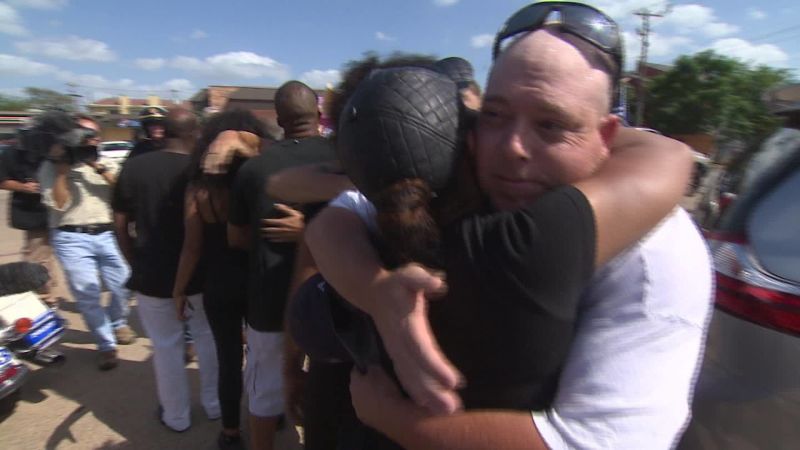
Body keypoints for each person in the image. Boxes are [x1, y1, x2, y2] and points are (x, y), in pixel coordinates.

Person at [303, 3, 713, 449]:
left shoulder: (655, 251)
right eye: (495, 115)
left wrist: (395, 419)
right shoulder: (460, 173)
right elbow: (337, 219)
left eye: (551, 125)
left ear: (607, 137)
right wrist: (377, 291)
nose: (512, 148)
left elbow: (597, 443)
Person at [227, 80, 336, 450]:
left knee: (265, 389)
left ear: (279, 119)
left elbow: (236, 238)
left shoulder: (254, 170)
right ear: (319, 115)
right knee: (332, 385)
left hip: (270, 302)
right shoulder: (346, 161)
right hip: (336, 298)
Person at [113, 107, 219, 432]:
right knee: (208, 338)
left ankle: (177, 417)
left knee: (166, 345)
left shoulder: (133, 168)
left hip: (153, 274)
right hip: (204, 273)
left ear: (163, 131)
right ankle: (215, 406)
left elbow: (119, 224)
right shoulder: (206, 169)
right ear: (195, 132)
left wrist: (134, 260)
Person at [172, 109, 272, 449]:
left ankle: (230, 433)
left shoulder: (198, 189)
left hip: (219, 284)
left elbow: (191, 247)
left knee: (228, 359)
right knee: (264, 354)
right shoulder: (263, 182)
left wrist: (179, 290)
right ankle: (271, 413)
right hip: (261, 279)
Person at [37, 111, 134, 371]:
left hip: (106, 233)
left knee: (125, 283)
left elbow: (124, 192)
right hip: (71, 237)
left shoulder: (106, 161)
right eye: (83, 134)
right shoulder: (51, 165)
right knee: (88, 294)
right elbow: (59, 205)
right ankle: (106, 345)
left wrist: (97, 166)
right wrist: (61, 173)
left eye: (92, 135)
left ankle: (117, 321)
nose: (88, 139)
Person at [0, 121, 65, 308]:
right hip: (33, 213)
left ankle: (48, 292)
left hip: (60, 212)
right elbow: (2, 181)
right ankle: (43, 296)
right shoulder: (12, 154)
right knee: (37, 256)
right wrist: (23, 187)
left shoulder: (52, 151)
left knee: (54, 257)